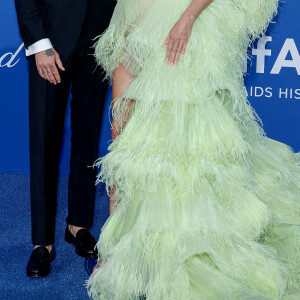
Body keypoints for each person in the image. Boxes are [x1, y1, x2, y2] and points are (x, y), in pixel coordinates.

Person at [88, 0, 300, 298]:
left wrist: (188, 18)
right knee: (119, 135)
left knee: (172, 144)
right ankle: (113, 248)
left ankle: (175, 250)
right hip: (132, 14)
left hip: (179, 20)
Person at [14, 0, 116, 277]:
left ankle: (78, 225)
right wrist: (39, 42)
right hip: (51, 40)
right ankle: (42, 243)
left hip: (99, 38)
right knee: (45, 141)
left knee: (87, 137)